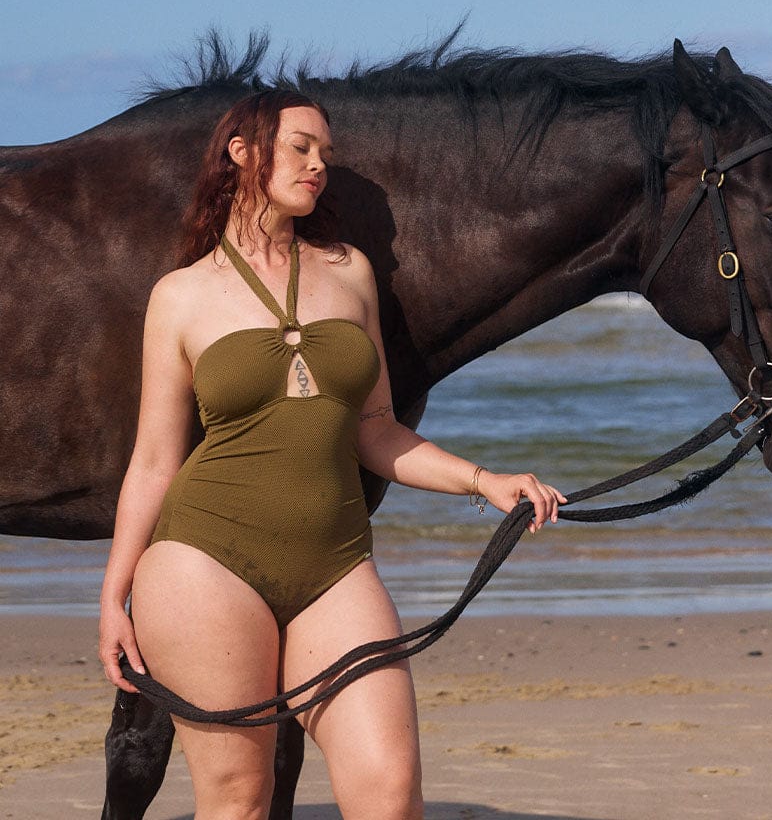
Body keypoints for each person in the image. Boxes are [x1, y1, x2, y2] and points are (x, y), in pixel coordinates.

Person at [99, 88, 565, 820]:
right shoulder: (181, 296)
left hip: (336, 564)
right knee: (240, 800)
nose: (319, 166)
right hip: (202, 564)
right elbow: (155, 461)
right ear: (242, 152)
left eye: (326, 154)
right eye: (301, 148)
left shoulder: (348, 271)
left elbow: (376, 431)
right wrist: (114, 597)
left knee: (389, 793)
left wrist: (486, 482)